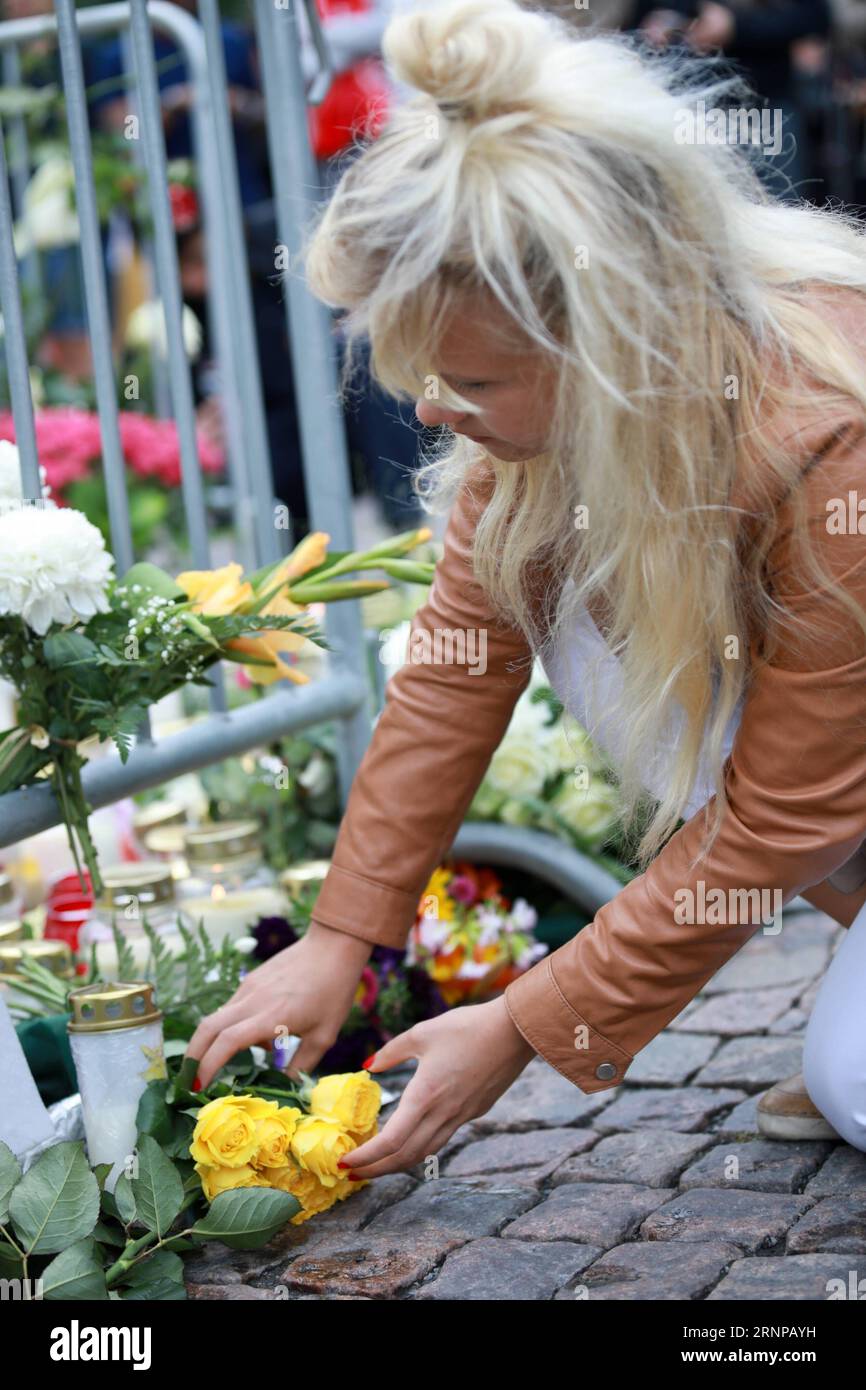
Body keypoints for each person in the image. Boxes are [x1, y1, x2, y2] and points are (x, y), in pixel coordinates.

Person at [186, 0, 866, 1177]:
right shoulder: (557, 449)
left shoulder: (827, 437)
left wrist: (521, 1025)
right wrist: (341, 936)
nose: (428, 413)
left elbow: (787, 814)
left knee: (850, 1077)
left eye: (462, 378)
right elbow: (451, 676)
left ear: (612, 334)